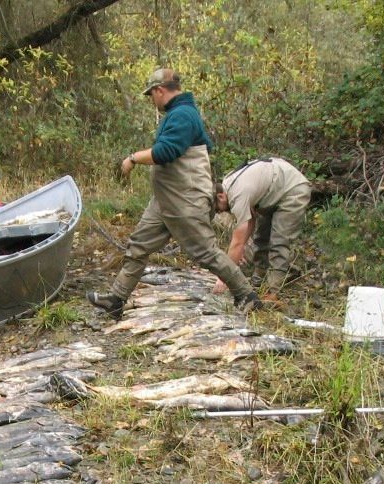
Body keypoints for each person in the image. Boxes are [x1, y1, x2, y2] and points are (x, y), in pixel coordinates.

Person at [88, 68, 261, 320]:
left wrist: (132, 158)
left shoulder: (183, 115)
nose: (152, 101)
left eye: (151, 95)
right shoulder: (179, 114)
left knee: (205, 252)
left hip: (186, 198)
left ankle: (247, 296)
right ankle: (116, 298)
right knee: (138, 246)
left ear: (160, 90)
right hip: (165, 200)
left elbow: (165, 152)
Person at [214, 157, 311, 297]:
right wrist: (241, 248)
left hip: (292, 189)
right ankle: (258, 282)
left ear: (221, 196)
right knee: (261, 238)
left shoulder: (238, 194)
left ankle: (273, 293)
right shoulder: (228, 183)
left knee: (279, 242)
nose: (220, 212)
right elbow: (251, 220)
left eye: (218, 209)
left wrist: (223, 279)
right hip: (273, 190)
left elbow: (237, 243)